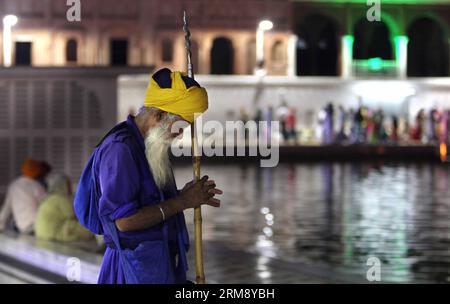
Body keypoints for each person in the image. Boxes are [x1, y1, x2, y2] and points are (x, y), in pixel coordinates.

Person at [75, 68, 222, 284]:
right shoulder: (121, 150)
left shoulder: (147, 146)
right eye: (179, 126)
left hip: (153, 265)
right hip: (131, 270)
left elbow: (148, 201)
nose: (179, 134)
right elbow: (124, 221)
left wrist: (186, 195)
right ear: (159, 116)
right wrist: (182, 202)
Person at [35, 174, 94, 242]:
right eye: (68, 186)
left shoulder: (49, 198)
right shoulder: (60, 198)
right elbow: (73, 215)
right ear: (63, 187)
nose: (70, 189)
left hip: (41, 233)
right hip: (53, 234)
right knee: (86, 227)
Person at [0, 159, 47, 234]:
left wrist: (1, 225)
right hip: (36, 225)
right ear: (37, 171)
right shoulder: (36, 186)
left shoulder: (13, 185)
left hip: (22, 227)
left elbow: (6, 208)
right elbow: (46, 205)